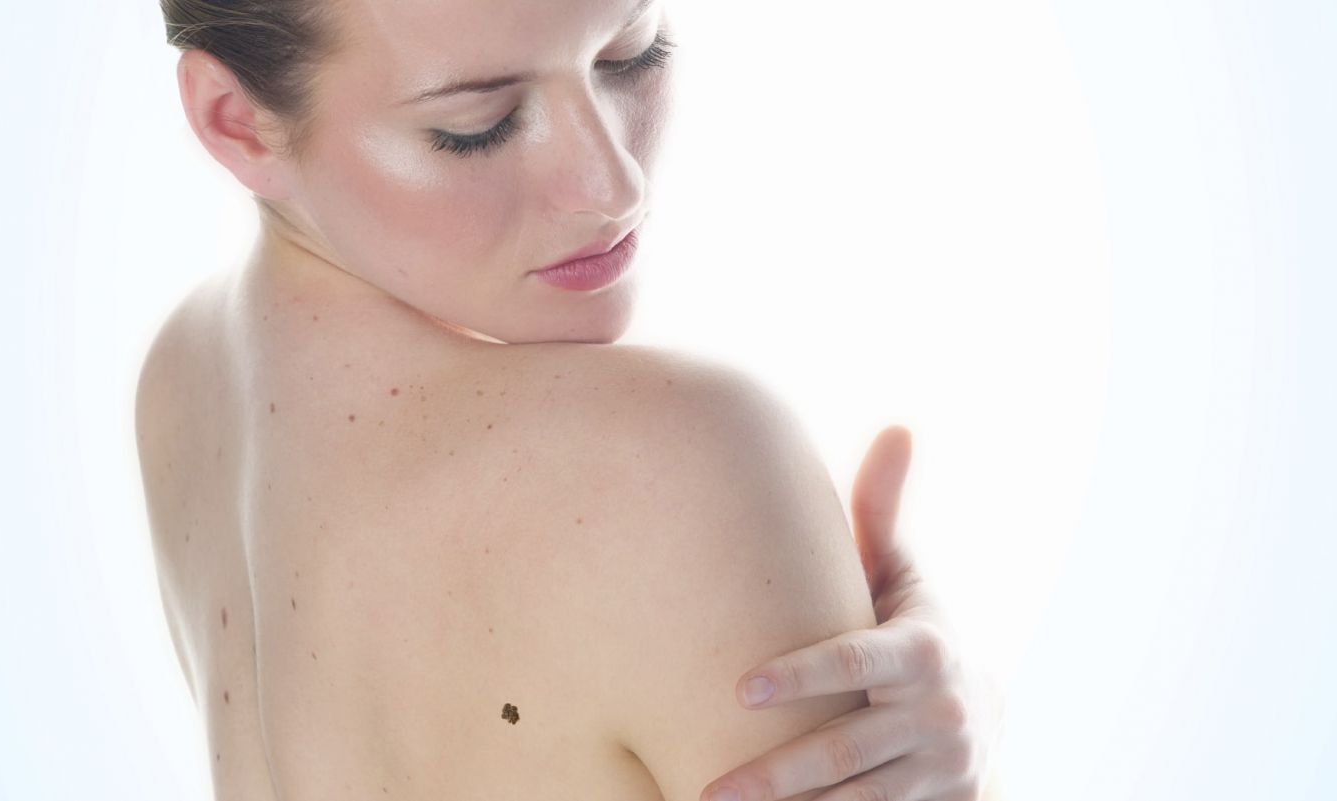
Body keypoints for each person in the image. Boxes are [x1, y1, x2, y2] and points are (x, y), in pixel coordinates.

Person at [135, 0, 1006, 799]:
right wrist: (962, 766)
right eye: (477, 126)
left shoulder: (183, 379)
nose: (614, 183)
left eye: (633, 51)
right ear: (235, 120)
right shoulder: (671, 462)